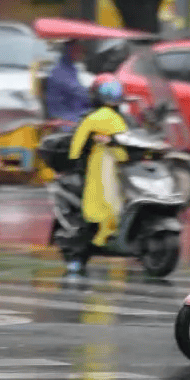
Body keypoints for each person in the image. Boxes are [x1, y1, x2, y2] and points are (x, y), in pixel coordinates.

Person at [64, 77, 129, 273]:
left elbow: (129, 140)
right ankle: (79, 256)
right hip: (98, 169)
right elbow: (78, 145)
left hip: (112, 167)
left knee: (101, 209)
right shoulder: (104, 118)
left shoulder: (110, 118)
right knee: (95, 212)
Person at [45, 40, 93, 126]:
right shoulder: (60, 70)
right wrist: (92, 95)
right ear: (70, 49)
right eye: (78, 49)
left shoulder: (71, 67)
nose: (81, 52)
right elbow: (75, 90)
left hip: (74, 110)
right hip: (65, 115)